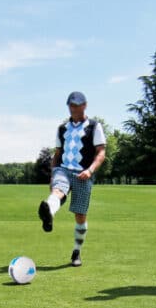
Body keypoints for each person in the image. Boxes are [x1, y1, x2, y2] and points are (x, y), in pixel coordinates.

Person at [38, 91, 106, 267]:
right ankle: (48, 213)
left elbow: (101, 152)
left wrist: (90, 170)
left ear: (84, 105)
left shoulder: (94, 126)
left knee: (80, 215)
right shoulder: (62, 129)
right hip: (64, 170)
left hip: (83, 174)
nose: (73, 108)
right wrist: (53, 174)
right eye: (71, 105)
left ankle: (76, 252)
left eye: (76, 105)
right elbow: (57, 154)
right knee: (58, 190)